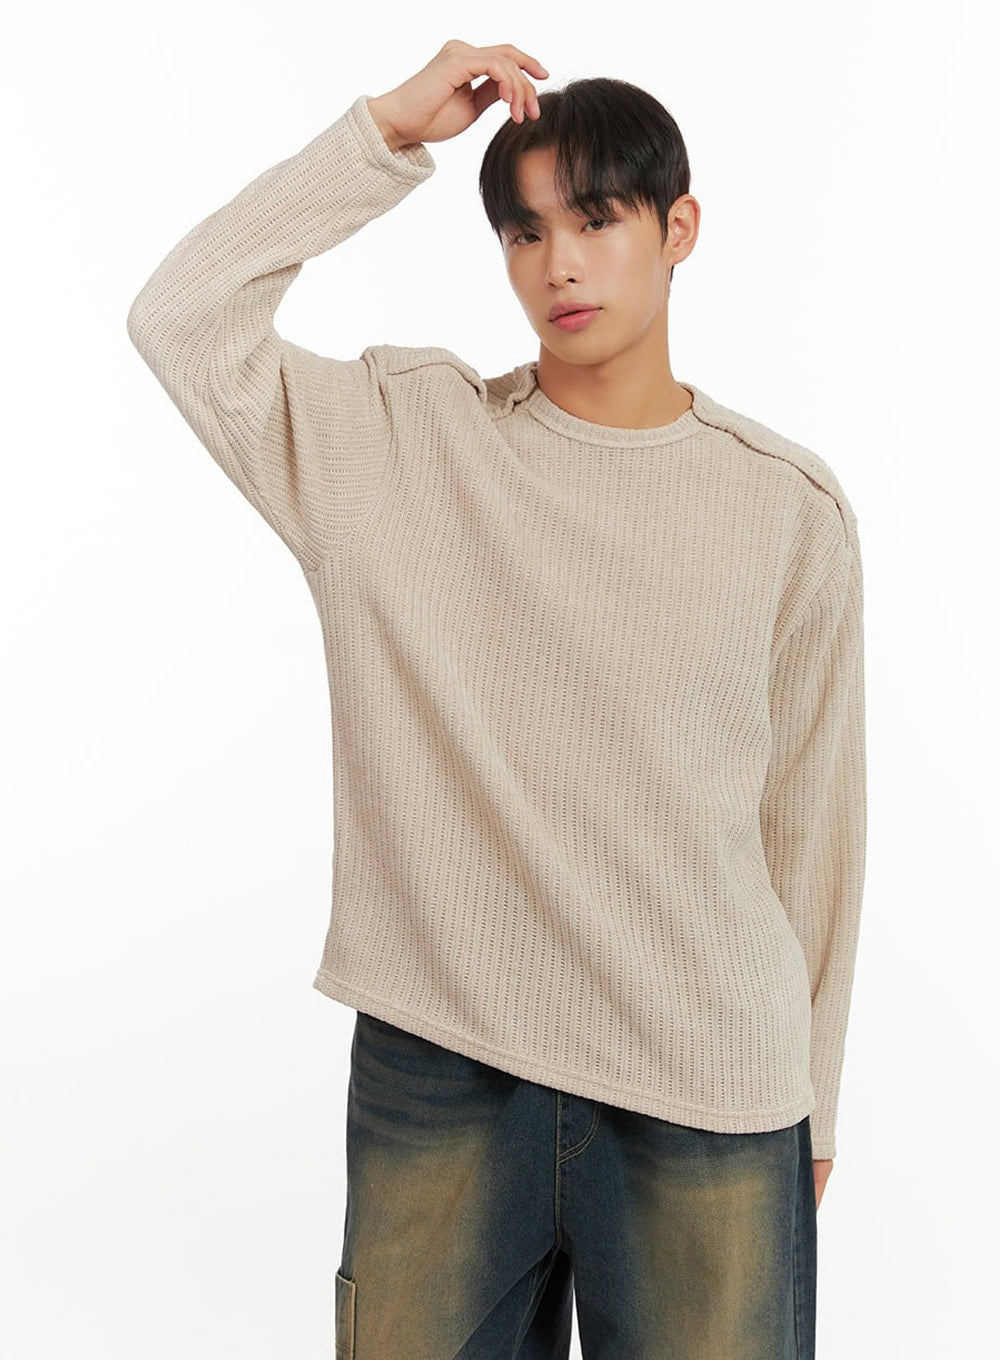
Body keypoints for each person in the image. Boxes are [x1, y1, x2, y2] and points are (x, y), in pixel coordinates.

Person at [126, 38, 866, 1359]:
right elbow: (181, 318)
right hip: (446, 1071)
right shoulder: (402, 444)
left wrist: (814, 1101)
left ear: (678, 230)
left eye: (597, 219)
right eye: (525, 232)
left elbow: (812, 830)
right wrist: (383, 134)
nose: (559, 263)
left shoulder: (786, 508)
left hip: (707, 1085)